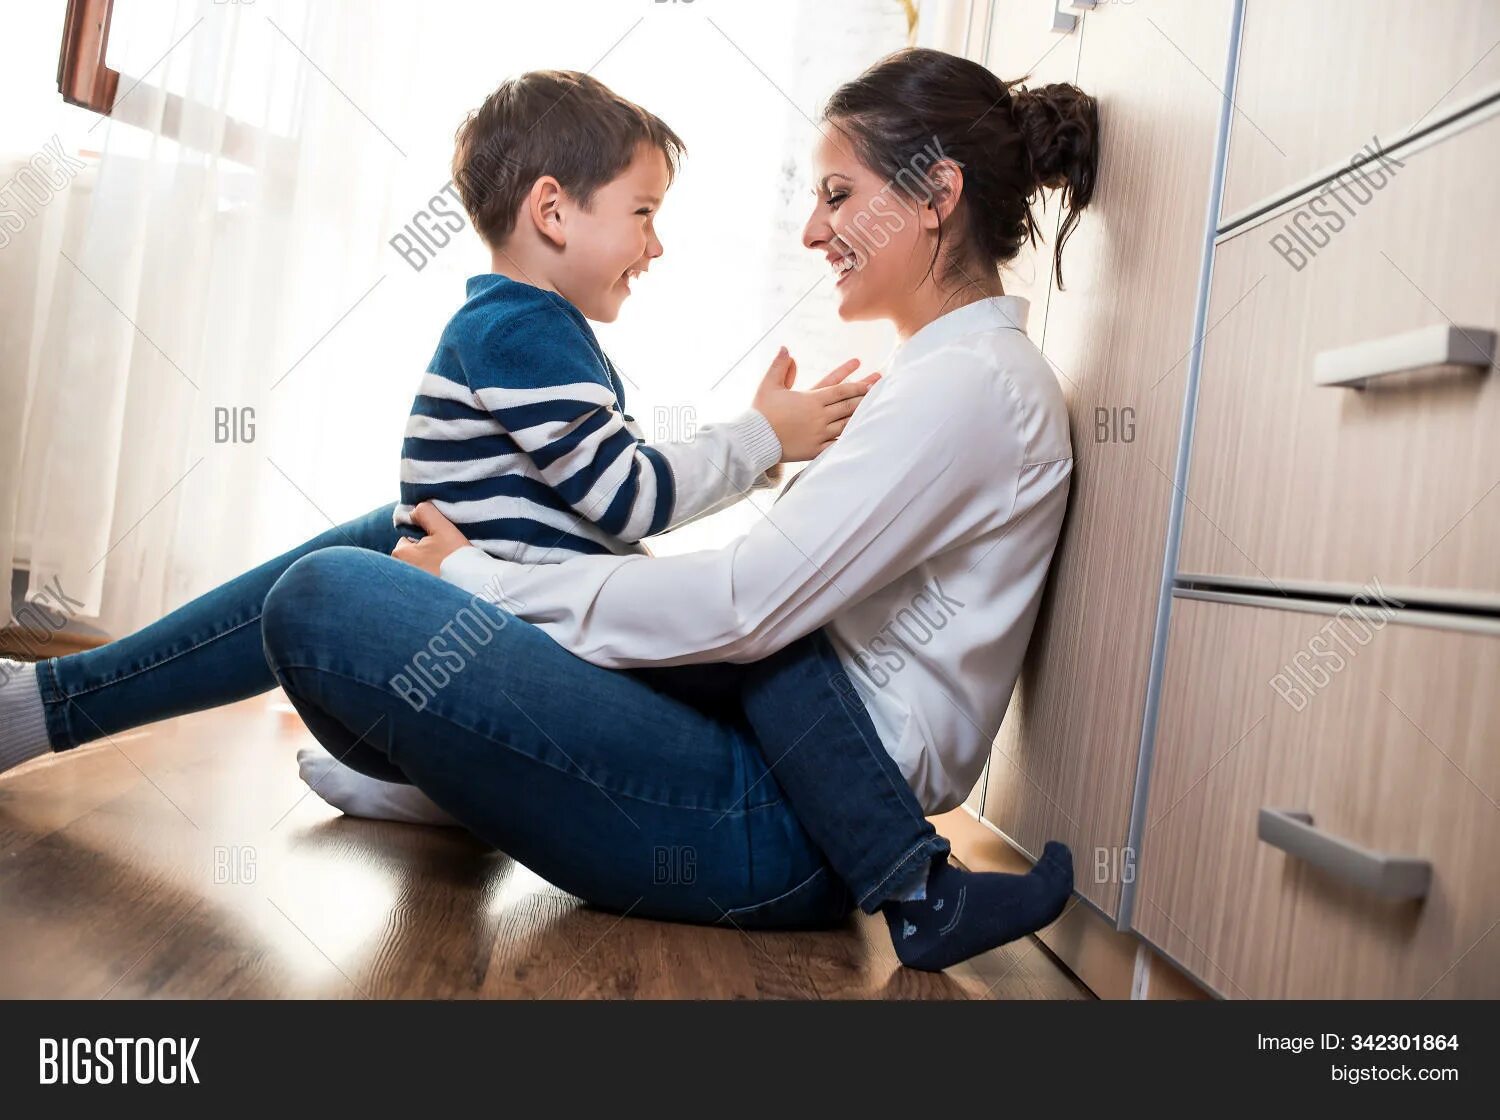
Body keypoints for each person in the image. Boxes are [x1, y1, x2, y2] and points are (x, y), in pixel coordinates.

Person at [0, 48, 1097, 972]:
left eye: (839, 194)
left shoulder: (973, 390)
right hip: (766, 759)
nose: (813, 233)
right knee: (391, 542)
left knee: (334, 599)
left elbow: (748, 605)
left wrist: (481, 578)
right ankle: (52, 704)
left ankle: (430, 775)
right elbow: (740, 593)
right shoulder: (941, 383)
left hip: (803, 820)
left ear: (938, 197)